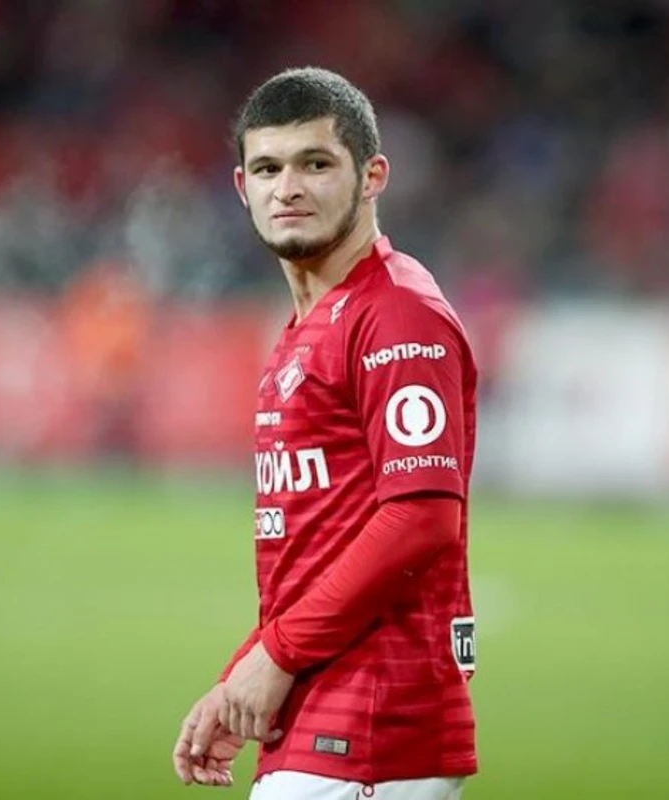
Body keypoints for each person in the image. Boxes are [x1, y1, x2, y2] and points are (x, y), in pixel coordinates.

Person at [171, 66, 479, 800]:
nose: (288, 188)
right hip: (326, 722)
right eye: (267, 169)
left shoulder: (396, 314)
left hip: (370, 726)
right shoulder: (310, 325)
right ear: (241, 187)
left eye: (315, 164)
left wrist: (275, 654)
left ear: (372, 177)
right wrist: (240, 679)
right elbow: (321, 545)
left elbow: (421, 517)